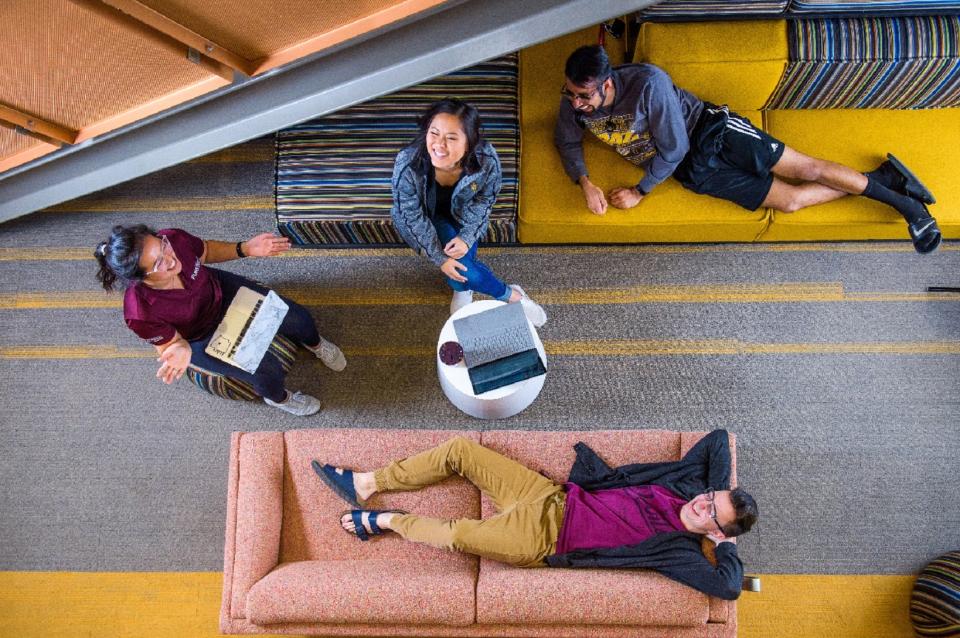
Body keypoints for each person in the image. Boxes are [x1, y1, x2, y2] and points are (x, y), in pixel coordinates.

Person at [555, 45, 941, 254]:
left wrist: (640, 192)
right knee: (789, 201)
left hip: (711, 131)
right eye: (571, 94)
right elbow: (567, 138)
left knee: (804, 169)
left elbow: (673, 148)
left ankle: (909, 209)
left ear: (607, 84)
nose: (575, 104)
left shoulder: (648, 84)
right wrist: (585, 182)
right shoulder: (573, 100)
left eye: (583, 96)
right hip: (695, 171)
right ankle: (883, 178)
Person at [313, 429, 757, 600]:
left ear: (715, 529)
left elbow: (729, 588)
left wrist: (725, 545)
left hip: (542, 541)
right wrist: (716, 493)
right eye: (709, 496)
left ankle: (386, 521)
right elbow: (717, 440)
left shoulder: (679, 552)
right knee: (461, 452)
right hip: (549, 495)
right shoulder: (685, 488)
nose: (700, 504)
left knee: (456, 534)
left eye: (709, 512)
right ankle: (366, 484)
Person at [94, 224, 346, 416]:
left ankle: (317, 346)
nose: (171, 259)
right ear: (140, 278)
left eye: (163, 247)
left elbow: (206, 251)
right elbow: (170, 344)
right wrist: (180, 349)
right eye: (158, 263)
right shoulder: (139, 312)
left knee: (297, 317)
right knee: (264, 371)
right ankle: (280, 400)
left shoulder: (175, 239)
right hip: (201, 336)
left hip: (220, 292)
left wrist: (245, 248)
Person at [391, 98, 548, 325]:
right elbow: (409, 214)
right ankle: (513, 297)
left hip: (464, 219)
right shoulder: (407, 162)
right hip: (427, 220)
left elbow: (485, 199)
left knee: (461, 268)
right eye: (434, 133)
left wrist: (466, 236)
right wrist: (438, 257)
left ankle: (462, 289)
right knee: (462, 269)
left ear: (469, 142)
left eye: (451, 138)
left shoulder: (486, 159)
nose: (438, 145)